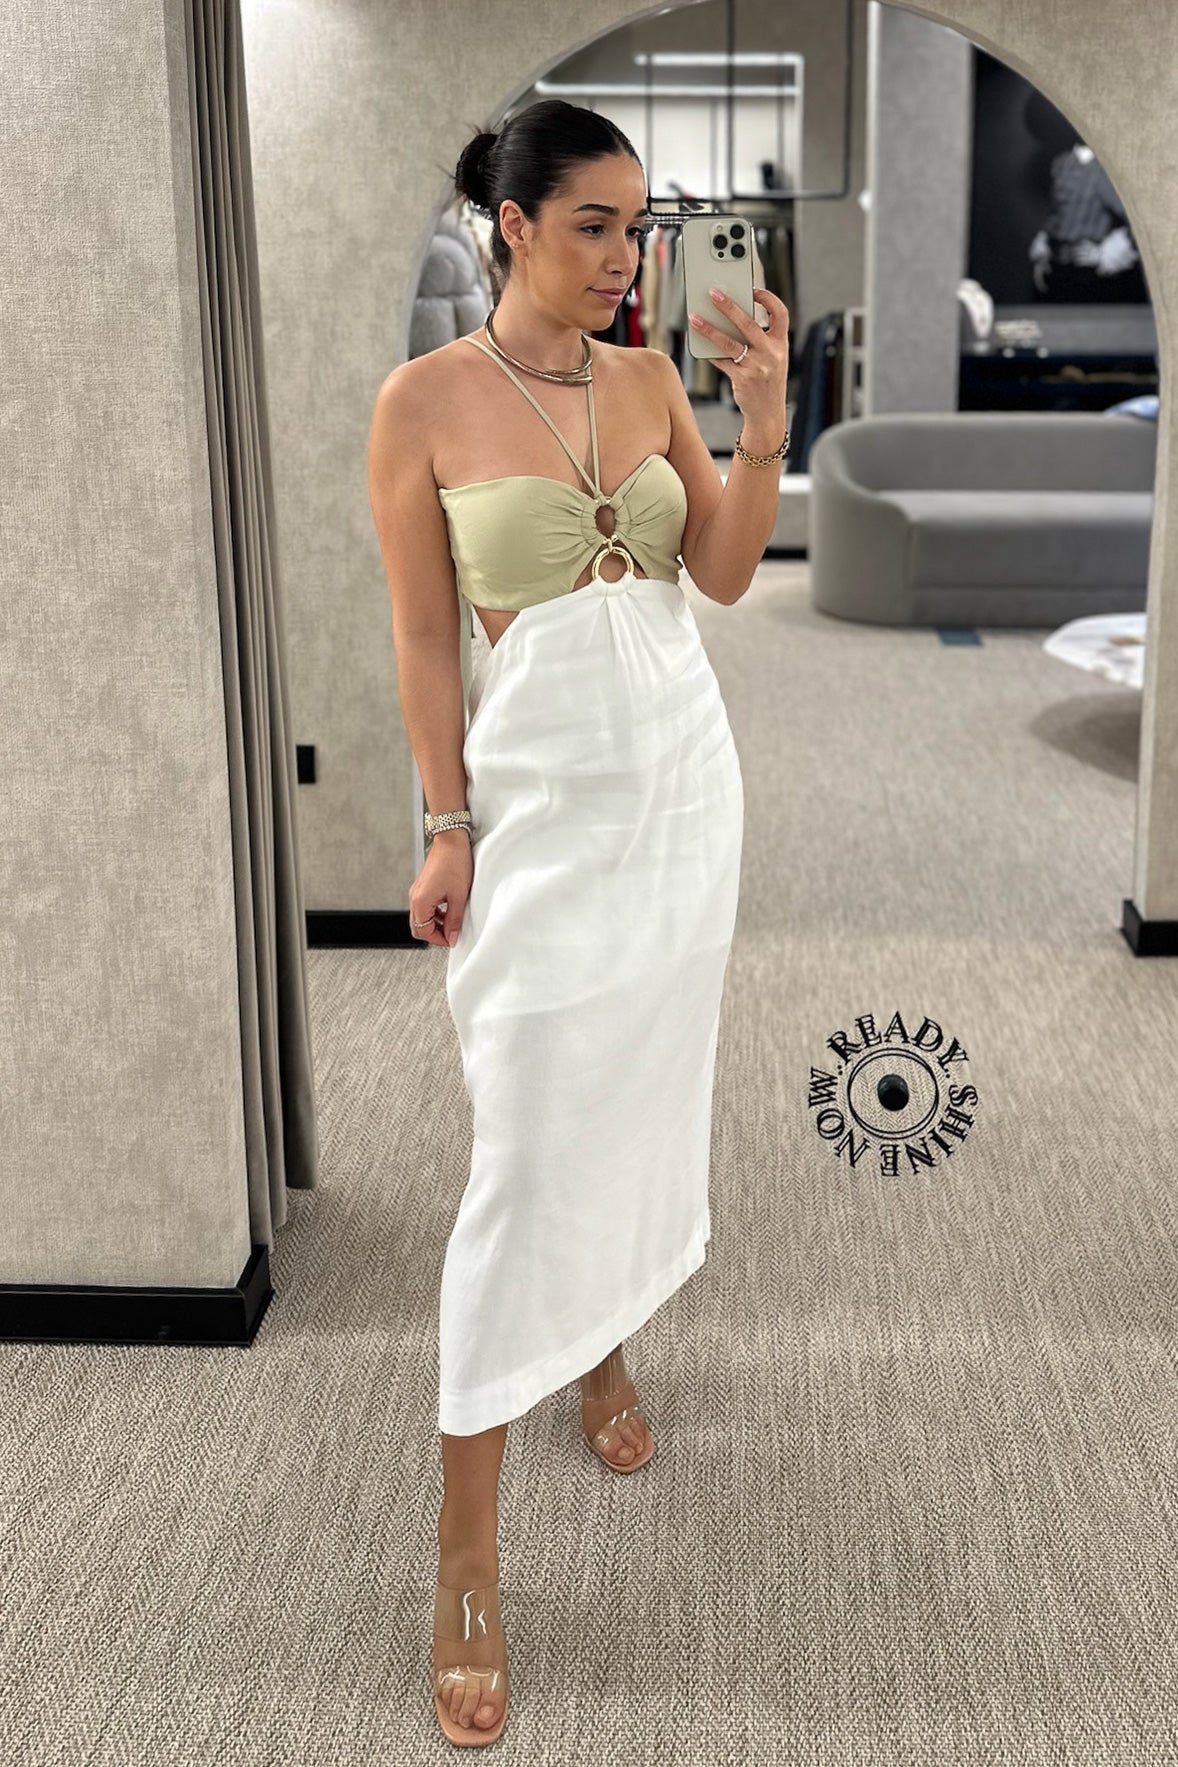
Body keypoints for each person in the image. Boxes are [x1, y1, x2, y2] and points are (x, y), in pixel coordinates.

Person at [366, 98, 789, 1746]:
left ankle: (601, 1345)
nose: (625, 258)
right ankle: (465, 1551)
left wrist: (758, 422)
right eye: (594, 225)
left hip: (681, 791)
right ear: (514, 225)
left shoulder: (646, 378)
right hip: (539, 817)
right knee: (528, 1142)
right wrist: (444, 823)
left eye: (638, 228)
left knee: (634, 1089)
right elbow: (424, 635)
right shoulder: (422, 403)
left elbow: (725, 573)